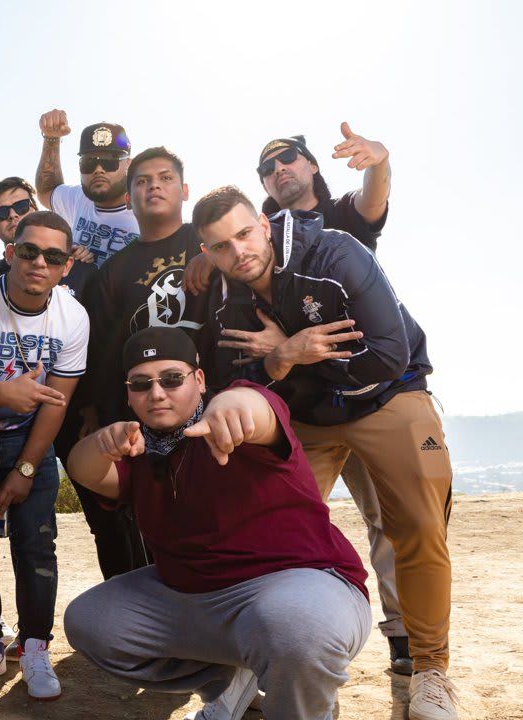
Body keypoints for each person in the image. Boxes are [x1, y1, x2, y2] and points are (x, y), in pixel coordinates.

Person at [194, 186, 458, 720]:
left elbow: (386, 354)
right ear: (208, 252)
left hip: (389, 395)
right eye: (221, 245)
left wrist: (294, 360)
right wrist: (284, 356)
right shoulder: (227, 297)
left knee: (418, 528)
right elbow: (232, 380)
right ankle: (256, 667)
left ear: (264, 226)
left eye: (244, 234)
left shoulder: (335, 251)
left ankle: (430, 670)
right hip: (311, 416)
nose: (238, 251)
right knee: (262, 536)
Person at [64, 327, 372, 720]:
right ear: (128, 394)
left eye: (171, 379)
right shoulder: (137, 447)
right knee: (91, 622)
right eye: (141, 384)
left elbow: (257, 408)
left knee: (296, 631)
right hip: (195, 596)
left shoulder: (235, 412)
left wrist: (231, 407)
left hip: (301, 581)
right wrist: (101, 442)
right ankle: (231, 683)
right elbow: (83, 469)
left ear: (199, 380)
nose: (156, 393)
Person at [189, 128, 410, 674]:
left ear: (313, 166)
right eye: (268, 168)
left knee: (388, 520)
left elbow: (373, 198)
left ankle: (404, 637)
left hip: (368, 388)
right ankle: (279, 641)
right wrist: (203, 264)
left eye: (290, 159)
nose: (280, 169)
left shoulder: (341, 222)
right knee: (279, 520)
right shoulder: (248, 250)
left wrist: (379, 162)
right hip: (306, 404)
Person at [0, 211, 88, 700]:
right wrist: (3, 395)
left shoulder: (73, 316)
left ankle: (35, 646)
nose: (38, 263)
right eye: (28, 251)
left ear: (66, 266)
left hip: (31, 437)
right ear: (10, 253)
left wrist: (27, 467)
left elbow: (58, 402)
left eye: (53, 256)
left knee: (35, 545)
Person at [74, 146, 209, 582]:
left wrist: (214, 253)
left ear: (185, 189)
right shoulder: (112, 273)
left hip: (213, 403)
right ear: (128, 198)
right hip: (147, 412)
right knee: (146, 521)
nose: (153, 186)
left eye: (165, 178)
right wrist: (96, 413)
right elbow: (101, 352)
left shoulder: (210, 243)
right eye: (142, 181)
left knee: (213, 513)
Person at [35, 110, 140, 267]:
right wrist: (52, 138)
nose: (98, 169)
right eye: (89, 162)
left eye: (110, 160)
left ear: (129, 164)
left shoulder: (148, 211)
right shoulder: (80, 198)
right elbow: (47, 190)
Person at [0, 177, 97, 302]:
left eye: (21, 207)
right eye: (1, 213)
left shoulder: (82, 270)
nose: (12, 215)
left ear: (36, 211)